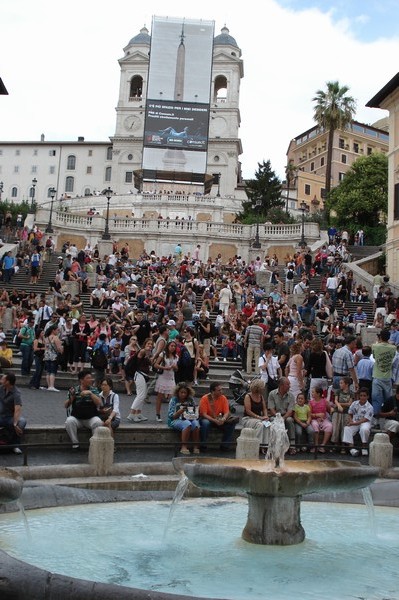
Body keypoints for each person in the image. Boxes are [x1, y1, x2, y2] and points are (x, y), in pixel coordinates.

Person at [64, 369, 103, 449]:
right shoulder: (74, 389)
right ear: (81, 380)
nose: (91, 380)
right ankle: (75, 444)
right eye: (88, 378)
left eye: (91, 378)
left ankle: (94, 444)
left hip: (91, 418)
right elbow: (66, 405)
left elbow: (99, 403)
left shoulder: (94, 389)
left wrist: (90, 393)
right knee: (69, 421)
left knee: (98, 422)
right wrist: (72, 397)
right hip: (77, 418)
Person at [199, 382, 237, 452]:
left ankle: (225, 445)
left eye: (221, 390)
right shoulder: (205, 398)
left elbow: (226, 412)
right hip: (208, 419)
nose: (221, 391)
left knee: (231, 424)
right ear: (213, 391)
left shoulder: (223, 398)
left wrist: (223, 419)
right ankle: (203, 445)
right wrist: (215, 420)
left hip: (219, 418)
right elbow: (204, 414)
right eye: (219, 390)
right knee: (205, 423)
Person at [168, 382, 200, 455]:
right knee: (187, 424)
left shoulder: (190, 399)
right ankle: (184, 446)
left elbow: (195, 411)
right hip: (175, 420)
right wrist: (179, 412)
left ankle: (196, 446)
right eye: (181, 392)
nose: (183, 394)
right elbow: (171, 416)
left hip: (189, 418)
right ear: (177, 392)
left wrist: (196, 411)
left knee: (196, 424)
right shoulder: (174, 400)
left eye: (185, 393)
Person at [126, 338, 154, 422]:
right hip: (139, 375)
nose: (150, 345)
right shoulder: (142, 351)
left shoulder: (147, 354)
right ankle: (131, 414)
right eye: (148, 344)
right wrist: (147, 351)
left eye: (151, 344)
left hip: (143, 376)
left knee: (143, 395)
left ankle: (138, 413)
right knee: (140, 395)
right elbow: (142, 352)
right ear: (144, 344)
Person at [267, 377, 296, 454]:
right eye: (288, 384)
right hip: (275, 415)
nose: (289, 386)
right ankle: (273, 444)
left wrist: (283, 418)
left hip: (286, 415)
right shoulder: (272, 394)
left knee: (289, 420)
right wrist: (278, 417)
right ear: (281, 385)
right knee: (272, 420)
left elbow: (290, 410)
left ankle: (292, 445)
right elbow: (271, 408)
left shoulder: (291, 396)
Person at [371, 328, 396, 418]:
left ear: (380, 336)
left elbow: (374, 357)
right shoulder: (393, 348)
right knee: (388, 399)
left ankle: (376, 418)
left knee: (376, 399)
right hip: (388, 377)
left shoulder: (375, 346)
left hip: (377, 376)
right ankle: (387, 418)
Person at [342, 388, 374, 456]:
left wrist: (353, 423)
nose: (362, 397)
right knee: (347, 428)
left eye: (364, 395)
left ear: (368, 396)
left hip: (365, 422)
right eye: (361, 395)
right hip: (355, 421)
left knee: (364, 429)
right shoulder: (354, 403)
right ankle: (352, 448)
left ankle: (364, 446)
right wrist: (350, 420)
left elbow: (365, 419)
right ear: (359, 396)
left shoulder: (370, 407)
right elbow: (350, 413)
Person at [0, 373, 27, 453]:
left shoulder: (16, 393)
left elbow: (17, 409)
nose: (1, 380)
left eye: (3, 379)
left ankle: (15, 445)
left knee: (22, 422)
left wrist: (15, 424)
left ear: (7, 382)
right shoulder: (1, 388)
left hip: (9, 418)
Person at [242, 379, 270, 453]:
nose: (264, 389)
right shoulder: (248, 396)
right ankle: (257, 445)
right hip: (248, 418)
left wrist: (266, 416)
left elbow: (264, 409)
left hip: (259, 418)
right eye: (263, 387)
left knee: (267, 425)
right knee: (260, 425)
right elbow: (248, 411)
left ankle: (265, 445)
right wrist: (260, 417)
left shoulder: (261, 396)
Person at [153, 340, 179, 422]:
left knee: (173, 397)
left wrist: (175, 367)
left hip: (171, 378)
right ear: (168, 346)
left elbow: (177, 369)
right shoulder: (163, 354)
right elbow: (156, 364)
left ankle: (171, 414)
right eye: (171, 346)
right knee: (160, 397)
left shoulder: (176, 357)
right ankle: (158, 414)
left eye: (174, 346)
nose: (173, 348)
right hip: (163, 377)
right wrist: (164, 368)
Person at [331, 376, 353, 448]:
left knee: (344, 428)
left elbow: (349, 404)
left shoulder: (351, 393)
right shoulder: (338, 391)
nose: (340, 384)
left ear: (346, 384)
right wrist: (338, 406)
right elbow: (335, 400)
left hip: (346, 412)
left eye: (341, 383)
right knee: (336, 427)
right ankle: (335, 443)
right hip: (337, 411)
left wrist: (339, 404)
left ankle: (343, 444)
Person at [309, 386, 333, 453]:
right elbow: (309, 414)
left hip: (324, 419)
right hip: (314, 419)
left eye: (313, 392)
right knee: (315, 425)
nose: (312, 393)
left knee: (329, 426)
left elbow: (329, 410)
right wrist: (317, 415)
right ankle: (316, 445)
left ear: (318, 394)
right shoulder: (311, 402)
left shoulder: (325, 401)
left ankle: (323, 445)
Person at [43, 322, 63, 392]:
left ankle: (49, 386)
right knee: (53, 371)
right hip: (54, 355)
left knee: (48, 371)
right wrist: (61, 349)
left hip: (47, 355)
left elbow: (45, 347)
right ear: (53, 330)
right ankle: (52, 385)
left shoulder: (46, 338)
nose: (58, 331)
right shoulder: (55, 337)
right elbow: (59, 348)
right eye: (57, 330)